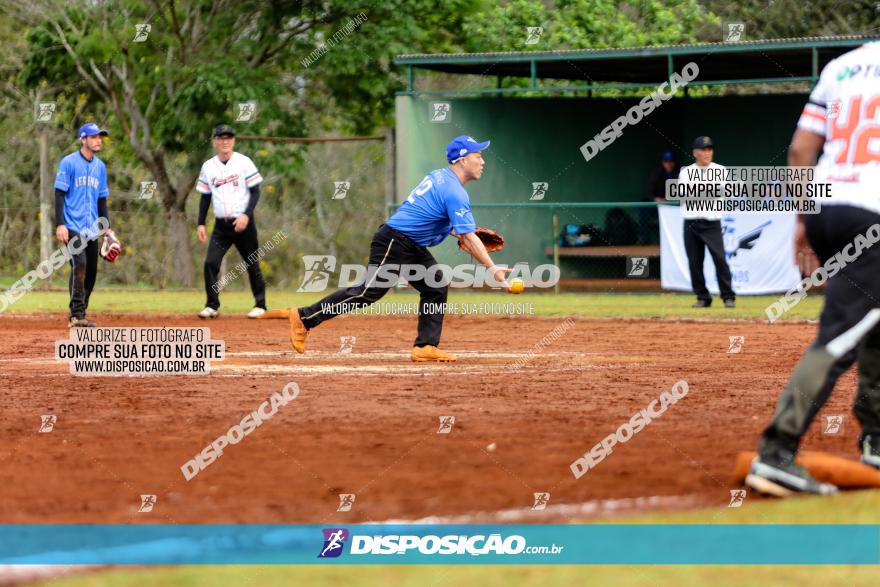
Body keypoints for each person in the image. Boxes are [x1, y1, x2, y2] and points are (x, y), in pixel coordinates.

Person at [745, 41, 880, 496]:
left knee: (873, 324)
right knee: (839, 337)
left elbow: (802, 151)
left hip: (829, 207)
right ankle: (777, 451)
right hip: (873, 213)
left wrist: (803, 219)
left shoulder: (842, 67)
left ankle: (877, 439)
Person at [287, 135, 512, 362]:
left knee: (435, 285)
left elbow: (427, 214)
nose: (482, 161)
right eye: (478, 155)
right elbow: (466, 234)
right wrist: (492, 269)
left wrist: (458, 232)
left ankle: (425, 347)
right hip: (395, 241)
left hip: (409, 242)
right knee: (367, 292)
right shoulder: (455, 192)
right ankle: (305, 317)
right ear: (463, 160)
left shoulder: (440, 176)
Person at [195, 124, 267, 319]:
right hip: (221, 226)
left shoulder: (244, 162)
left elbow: (255, 191)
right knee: (210, 263)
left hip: (244, 223)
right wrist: (200, 223)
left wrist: (246, 215)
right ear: (215, 142)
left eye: (228, 137)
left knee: (252, 262)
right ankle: (212, 305)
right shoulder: (209, 167)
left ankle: (260, 305)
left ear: (233, 141)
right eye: (221, 138)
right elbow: (205, 197)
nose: (225, 141)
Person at [54, 122, 113, 328]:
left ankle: (80, 312)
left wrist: (107, 229)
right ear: (83, 139)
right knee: (79, 263)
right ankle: (76, 314)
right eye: (94, 136)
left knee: (92, 271)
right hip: (71, 225)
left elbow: (102, 200)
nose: (98, 140)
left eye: (100, 137)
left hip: (92, 229)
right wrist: (60, 224)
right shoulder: (68, 163)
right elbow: (59, 194)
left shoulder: (100, 167)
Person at [678, 136, 735, 308]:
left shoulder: (721, 170)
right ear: (695, 153)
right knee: (694, 261)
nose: (707, 153)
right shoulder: (686, 172)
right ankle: (703, 297)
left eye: (709, 149)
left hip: (712, 223)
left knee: (719, 258)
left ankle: (728, 296)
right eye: (703, 149)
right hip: (691, 222)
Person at [640, 151, 679, 244]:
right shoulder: (657, 172)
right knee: (643, 208)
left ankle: (676, 241)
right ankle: (644, 240)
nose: (668, 164)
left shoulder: (679, 173)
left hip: (674, 205)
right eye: (666, 161)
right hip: (658, 204)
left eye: (671, 161)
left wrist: (671, 199)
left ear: (674, 162)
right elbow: (649, 192)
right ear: (663, 162)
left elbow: (684, 192)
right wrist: (656, 199)